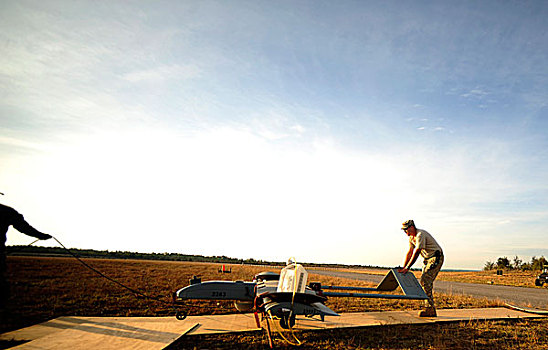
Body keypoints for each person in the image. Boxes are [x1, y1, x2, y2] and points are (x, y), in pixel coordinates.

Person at [1, 195, 52, 308]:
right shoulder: (7, 211)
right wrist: (40, 236)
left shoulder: (7, 212)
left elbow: (24, 227)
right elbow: (24, 227)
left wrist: (40, 235)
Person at [398, 219, 444, 317]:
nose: (405, 232)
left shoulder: (420, 235)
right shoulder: (411, 238)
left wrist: (408, 268)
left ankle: (430, 309)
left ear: (411, 227)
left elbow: (417, 252)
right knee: (423, 282)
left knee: (425, 281)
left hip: (435, 257)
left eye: (406, 230)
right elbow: (410, 252)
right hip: (427, 259)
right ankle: (428, 307)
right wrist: (404, 266)